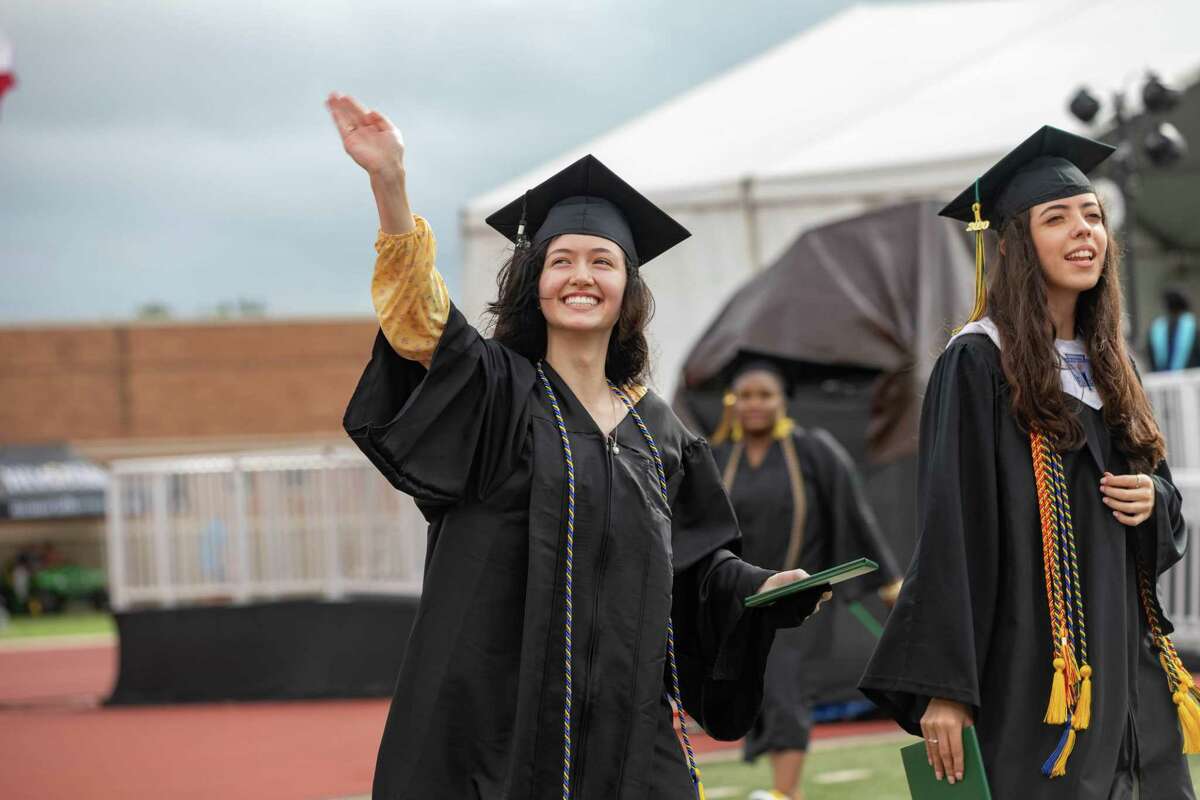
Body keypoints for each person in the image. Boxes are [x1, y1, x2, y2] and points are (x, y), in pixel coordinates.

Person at [326, 92, 832, 799]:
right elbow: (419, 321)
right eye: (562, 261)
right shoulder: (494, 392)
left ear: (628, 289)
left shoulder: (664, 435)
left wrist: (758, 587)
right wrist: (391, 183)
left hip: (629, 727)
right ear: (535, 283)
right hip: (500, 719)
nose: (582, 278)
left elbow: (694, 566)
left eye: (603, 262)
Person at [859, 125, 1193, 799]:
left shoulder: (1113, 365)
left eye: (1093, 216)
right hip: (1035, 671)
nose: (1084, 232)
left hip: (1127, 668)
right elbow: (951, 525)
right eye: (1058, 217)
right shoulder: (979, 360)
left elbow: (1161, 498)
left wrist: (1154, 501)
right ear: (1013, 245)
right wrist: (943, 688)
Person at [711, 353, 903, 800]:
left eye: (765, 395)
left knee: (785, 688)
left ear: (784, 401)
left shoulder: (813, 450)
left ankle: (785, 792)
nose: (754, 404)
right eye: (745, 396)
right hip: (740, 600)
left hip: (800, 598)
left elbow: (854, 514)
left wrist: (888, 582)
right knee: (753, 689)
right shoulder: (718, 457)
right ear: (731, 402)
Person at [1147, 288, 1199, 372]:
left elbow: (1151, 359)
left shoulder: (1156, 327)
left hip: (1161, 380)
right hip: (1191, 380)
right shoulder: (1193, 326)